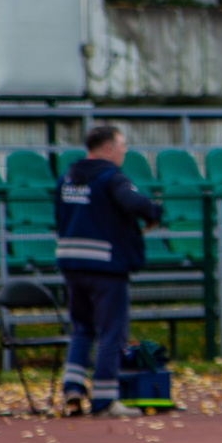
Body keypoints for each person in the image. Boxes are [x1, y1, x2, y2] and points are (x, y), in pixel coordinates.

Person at [52, 124, 164, 418]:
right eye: (122, 145)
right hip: (105, 265)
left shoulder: (67, 177)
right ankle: (104, 401)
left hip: (71, 263)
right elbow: (135, 202)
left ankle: (72, 390)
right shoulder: (111, 177)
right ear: (107, 149)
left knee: (81, 330)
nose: (125, 151)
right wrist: (153, 213)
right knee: (110, 332)